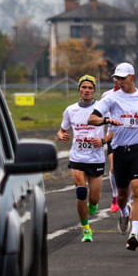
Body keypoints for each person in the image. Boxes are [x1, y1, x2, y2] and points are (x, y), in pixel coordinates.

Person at [89, 63, 138, 251]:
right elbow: (92, 118)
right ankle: (124, 211)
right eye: (116, 78)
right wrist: (106, 120)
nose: (119, 81)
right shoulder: (111, 98)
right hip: (119, 150)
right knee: (122, 196)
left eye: (122, 78)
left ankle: (134, 234)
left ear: (132, 77)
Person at [57, 75, 105, 243]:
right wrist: (62, 136)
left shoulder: (101, 107)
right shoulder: (71, 110)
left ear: (94, 90)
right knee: (81, 191)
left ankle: (93, 205)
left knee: (94, 198)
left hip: (96, 158)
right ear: (79, 89)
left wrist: (103, 141)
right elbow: (62, 130)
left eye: (90, 88)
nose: (87, 90)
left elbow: (114, 129)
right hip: (77, 157)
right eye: (84, 87)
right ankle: (86, 230)